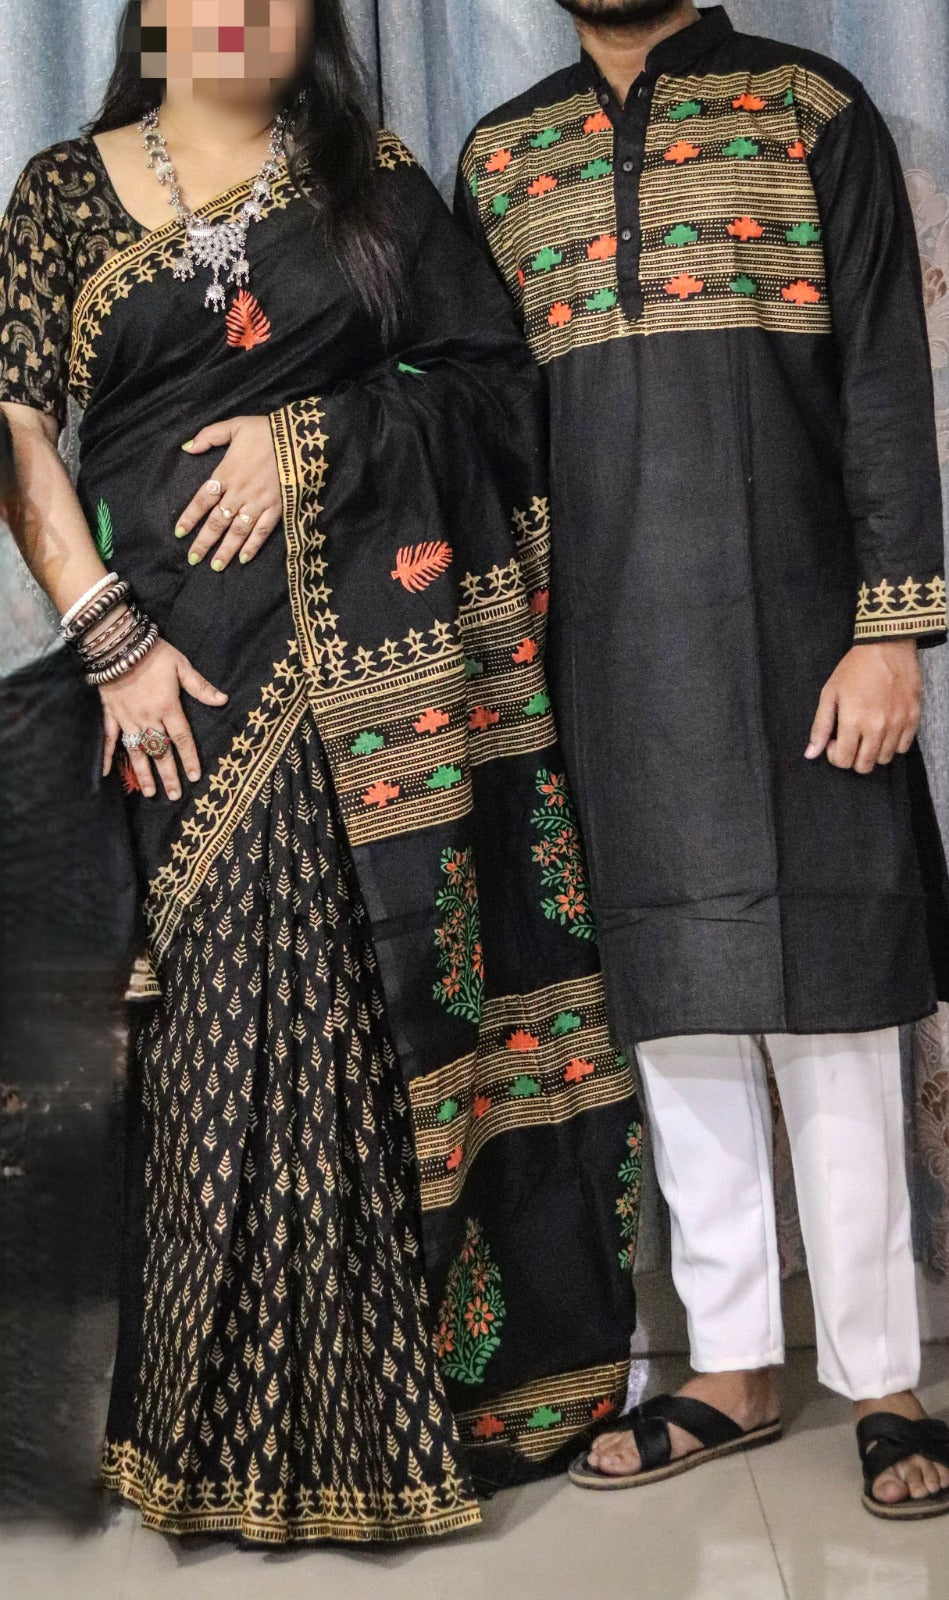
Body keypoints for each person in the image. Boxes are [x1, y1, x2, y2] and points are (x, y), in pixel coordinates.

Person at [0, 0, 644, 1544]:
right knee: (211, 1034)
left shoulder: (372, 186)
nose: (241, 13)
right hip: (167, 683)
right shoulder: (63, 192)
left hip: (376, 684)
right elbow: (11, 420)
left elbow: (493, 392)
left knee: (370, 1019)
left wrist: (316, 440)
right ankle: (207, 1433)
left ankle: (375, 1429)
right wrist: (108, 638)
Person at [457, 0, 949, 1519]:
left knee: (833, 1005)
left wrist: (890, 629)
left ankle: (882, 1378)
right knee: (668, 1008)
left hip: (809, 638)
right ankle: (730, 1367)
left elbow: (885, 377)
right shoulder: (503, 158)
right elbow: (476, 413)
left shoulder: (810, 109)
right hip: (605, 652)